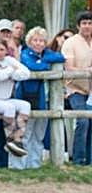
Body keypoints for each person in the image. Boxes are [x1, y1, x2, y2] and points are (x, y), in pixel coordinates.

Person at [17, 26, 65, 169]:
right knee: (26, 133)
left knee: (39, 135)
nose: (38, 43)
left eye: (41, 41)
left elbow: (60, 57)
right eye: (35, 40)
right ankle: (22, 165)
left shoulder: (45, 54)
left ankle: (35, 165)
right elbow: (31, 66)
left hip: (43, 100)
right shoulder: (25, 53)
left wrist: (42, 60)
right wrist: (44, 63)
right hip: (27, 97)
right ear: (30, 42)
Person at [0, 38, 32, 158]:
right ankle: (10, 140)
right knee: (9, 108)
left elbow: (26, 73)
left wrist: (9, 72)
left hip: (5, 99)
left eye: (1, 49)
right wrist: (10, 70)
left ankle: (18, 139)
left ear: (6, 51)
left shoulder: (9, 60)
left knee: (26, 105)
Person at [61, 11, 92, 166]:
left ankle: (89, 160)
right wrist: (88, 71)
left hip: (91, 90)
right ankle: (78, 160)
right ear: (78, 25)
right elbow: (69, 67)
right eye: (84, 23)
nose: (87, 26)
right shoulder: (71, 42)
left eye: (90, 23)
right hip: (74, 88)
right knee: (83, 120)